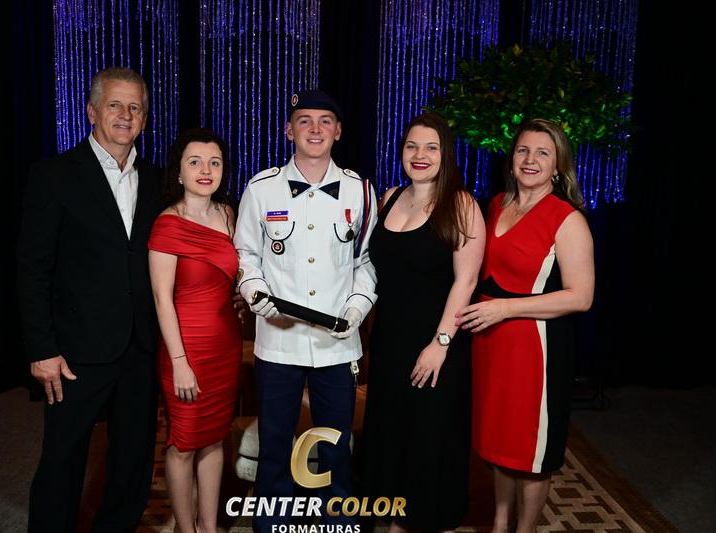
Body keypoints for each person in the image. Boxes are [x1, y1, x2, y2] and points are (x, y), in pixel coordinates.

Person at [18, 66, 161, 532]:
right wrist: (41, 349)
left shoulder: (157, 180)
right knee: (62, 460)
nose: (125, 115)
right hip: (75, 350)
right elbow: (32, 270)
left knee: (133, 459)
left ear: (144, 119)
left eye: (135, 107)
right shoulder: (53, 175)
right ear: (92, 112)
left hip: (140, 346)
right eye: (115, 105)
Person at [233, 90, 377, 532]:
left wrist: (357, 309)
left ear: (338, 131)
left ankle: (338, 522)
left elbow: (366, 262)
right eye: (304, 120)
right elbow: (246, 255)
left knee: (337, 446)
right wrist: (255, 293)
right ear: (288, 130)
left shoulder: (360, 190)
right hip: (279, 342)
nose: (315, 129)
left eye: (325, 120)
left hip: (336, 345)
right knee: (276, 443)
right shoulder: (261, 188)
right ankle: (272, 525)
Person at [456, 118, 595, 533]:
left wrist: (505, 310)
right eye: (523, 150)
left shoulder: (567, 219)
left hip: (535, 350)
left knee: (531, 452)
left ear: (558, 166)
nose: (530, 159)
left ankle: (526, 528)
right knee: (500, 442)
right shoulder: (497, 203)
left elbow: (581, 297)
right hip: (490, 344)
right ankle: (501, 522)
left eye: (542, 153)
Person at [361, 112, 485, 532]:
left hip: (436, 343)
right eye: (412, 146)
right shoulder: (389, 197)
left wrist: (440, 344)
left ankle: (428, 522)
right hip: (390, 340)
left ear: (445, 154)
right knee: (392, 432)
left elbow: (466, 281)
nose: (420, 155)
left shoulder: (461, 205)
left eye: (431, 147)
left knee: (430, 440)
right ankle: (395, 520)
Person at [148, 129, 242, 533]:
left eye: (214, 162)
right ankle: (186, 529)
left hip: (225, 347)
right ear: (179, 172)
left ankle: (208, 525)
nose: (206, 170)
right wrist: (180, 362)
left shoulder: (228, 214)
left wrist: (241, 294)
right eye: (195, 162)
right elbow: (161, 299)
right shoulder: (167, 223)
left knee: (215, 438)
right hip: (185, 349)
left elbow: (236, 272)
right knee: (183, 443)